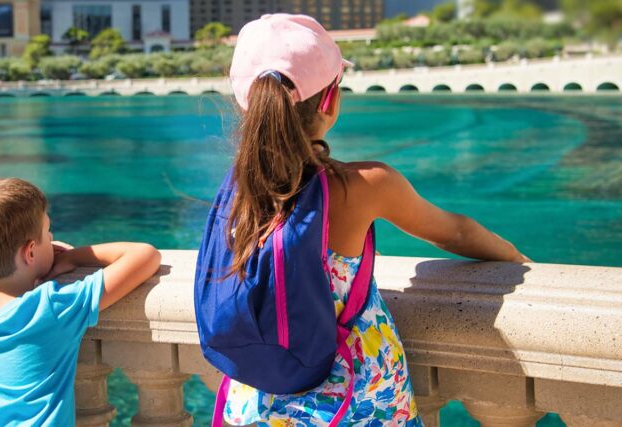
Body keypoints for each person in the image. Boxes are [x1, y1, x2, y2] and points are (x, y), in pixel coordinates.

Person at [206, 14, 528, 426]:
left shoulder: (237, 194)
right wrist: (515, 257)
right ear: (329, 100)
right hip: (356, 402)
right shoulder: (363, 186)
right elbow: (457, 232)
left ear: (244, 103)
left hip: (255, 399)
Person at [0, 178, 162, 426]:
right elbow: (145, 255)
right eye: (47, 233)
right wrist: (73, 256)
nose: (51, 236)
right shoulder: (53, 308)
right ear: (29, 252)